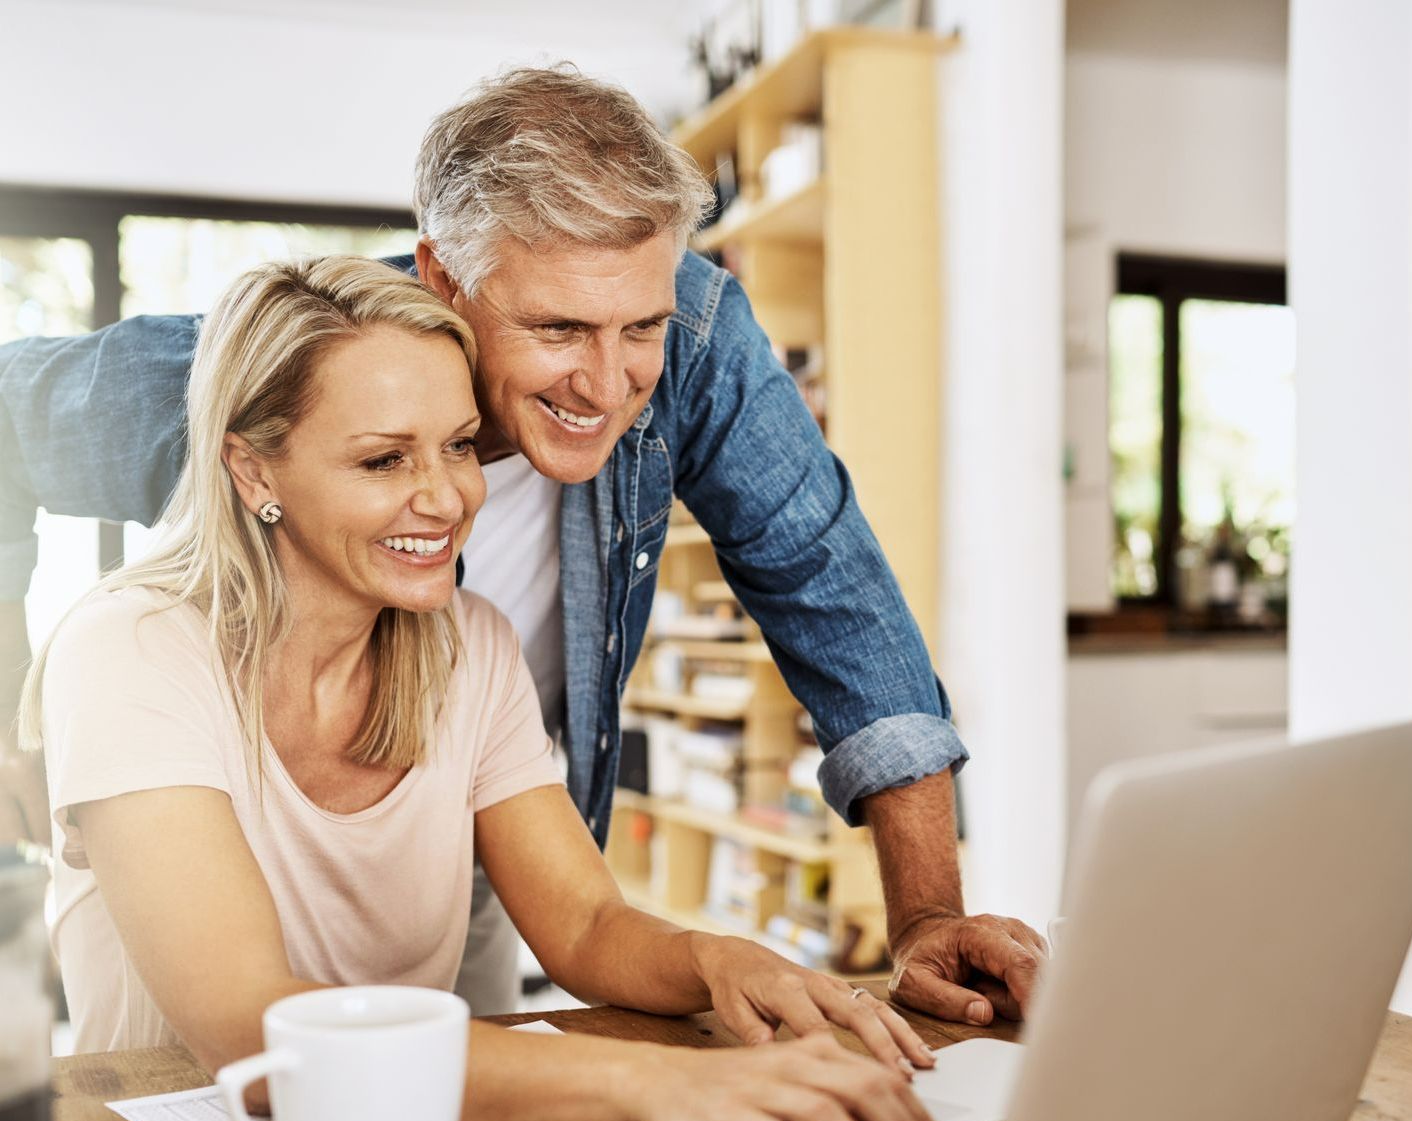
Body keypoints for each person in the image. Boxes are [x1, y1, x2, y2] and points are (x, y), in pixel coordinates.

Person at [0, 66, 1047, 1026]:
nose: (607, 382)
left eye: (639, 325)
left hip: (474, 828)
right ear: (444, 277)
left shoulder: (681, 346)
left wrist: (922, 920)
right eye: (555, 330)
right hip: (218, 822)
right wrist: (13, 709)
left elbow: (831, 585)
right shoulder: (280, 363)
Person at [20, 255, 953, 1121]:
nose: (445, 498)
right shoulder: (130, 647)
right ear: (252, 468)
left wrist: (720, 961)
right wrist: (661, 1083)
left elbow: (585, 926)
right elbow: (253, 1028)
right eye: (384, 459)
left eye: (460, 447)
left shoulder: (471, 646)